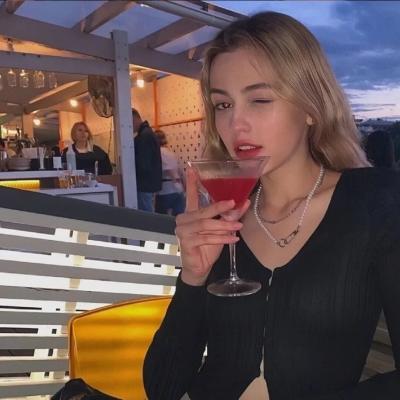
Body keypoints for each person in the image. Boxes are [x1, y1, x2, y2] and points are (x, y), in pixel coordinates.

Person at [143, 11, 400, 400]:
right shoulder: (223, 218)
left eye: (260, 99)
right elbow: (162, 388)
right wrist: (193, 277)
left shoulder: (377, 203)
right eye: (223, 105)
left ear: (311, 107)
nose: (236, 124)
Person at [132, 108, 162, 212]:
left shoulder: (144, 136)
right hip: (150, 183)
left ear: (134, 119)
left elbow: (144, 163)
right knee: (148, 212)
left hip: (144, 184)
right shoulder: (147, 133)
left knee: (146, 215)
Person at [154, 129, 185, 216]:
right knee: (178, 219)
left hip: (165, 190)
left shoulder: (157, 153)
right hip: (178, 189)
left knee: (161, 219)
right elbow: (181, 172)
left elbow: (167, 170)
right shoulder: (171, 153)